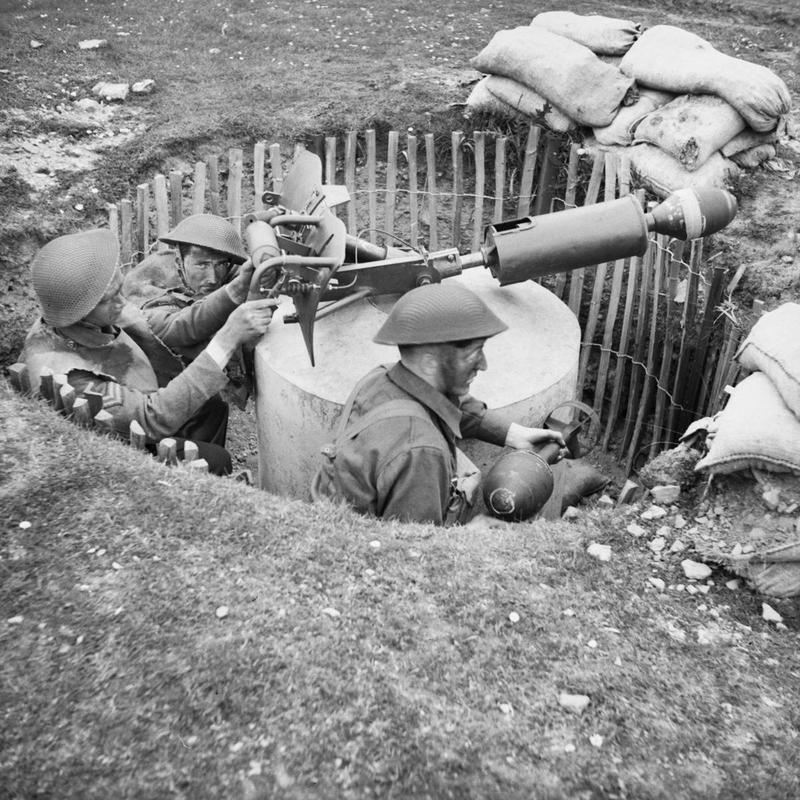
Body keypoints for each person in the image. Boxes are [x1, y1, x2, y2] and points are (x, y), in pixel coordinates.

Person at [20, 228, 275, 475]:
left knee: (212, 407)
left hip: (139, 403)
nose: (123, 301)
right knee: (218, 460)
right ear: (77, 312)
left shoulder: (96, 313)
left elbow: (177, 327)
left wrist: (238, 288)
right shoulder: (72, 379)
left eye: (119, 289)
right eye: (109, 298)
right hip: (118, 446)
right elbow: (151, 419)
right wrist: (227, 339)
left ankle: (197, 476)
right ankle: (191, 484)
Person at [311, 282, 565, 525]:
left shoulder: (380, 378)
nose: (483, 364)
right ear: (430, 362)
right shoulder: (421, 449)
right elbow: (415, 555)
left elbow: (446, 406)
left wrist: (513, 435)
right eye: (474, 353)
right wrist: (474, 532)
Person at [122, 213, 257, 363]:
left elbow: (243, 272)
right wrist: (235, 291)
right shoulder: (148, 284)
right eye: (201, 265)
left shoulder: (224, 267)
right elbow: (176, 329)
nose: (213, 278)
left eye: (220, 265)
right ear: (179, 261)